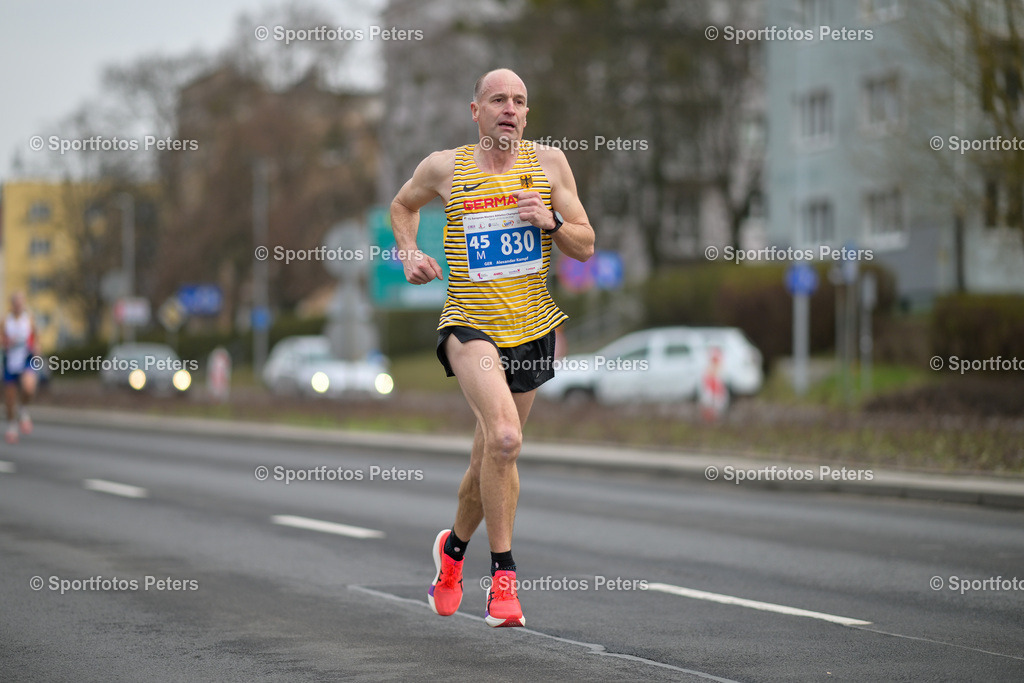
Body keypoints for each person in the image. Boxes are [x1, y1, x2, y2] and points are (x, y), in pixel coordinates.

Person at [390, 68, 595, 627]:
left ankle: (451, 554)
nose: (510, 107)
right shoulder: (445, 167)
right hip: (469, 324)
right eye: (498, 99)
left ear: (527, 115)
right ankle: (503, 579)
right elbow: (402, 207)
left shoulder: (549, 165)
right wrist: (408, 253)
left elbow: (585, 244)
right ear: (475, 111)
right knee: (506, 436)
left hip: (531, 330)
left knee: (491, 456)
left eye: (520, 101)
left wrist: (549, 220)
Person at [2, 292, 39, 444]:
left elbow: (36, 337)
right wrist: (6, 342)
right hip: (10, 362)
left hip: (25, 359)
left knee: (29, 388)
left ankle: (23, 411)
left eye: (21, 303)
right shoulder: (5, 321)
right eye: (16, 303)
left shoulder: (28, 319)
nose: (19, 306)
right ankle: (12, 426)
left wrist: (37, 348)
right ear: (12, 304)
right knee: (10, 400)